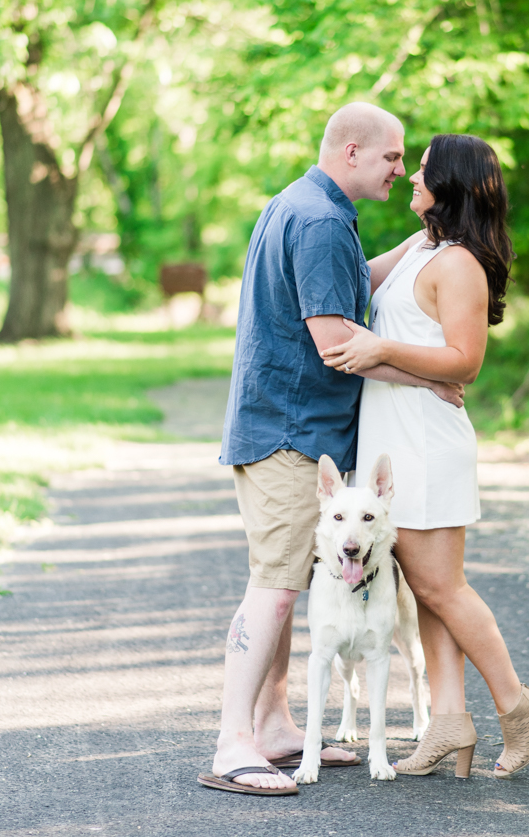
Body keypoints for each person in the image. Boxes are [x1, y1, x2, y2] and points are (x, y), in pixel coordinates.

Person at [198, 103, 465, 796]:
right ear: (352, 151)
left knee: (281, 579)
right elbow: (338, 344)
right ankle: (233, 740)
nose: (402, 169)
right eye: (391, 157)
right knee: (278, 589)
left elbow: (353, 287)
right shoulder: (318, 222)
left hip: (285, 427)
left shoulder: (310, 205)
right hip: (290, 433)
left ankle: (277, 725)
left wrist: (420, 240)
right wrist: (429, 377)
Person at [321, 134, 529, 779]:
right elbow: (358, 277)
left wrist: (379, 351)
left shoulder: (459, 265)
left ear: (449, 183)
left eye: (422, 168)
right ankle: (448, 720)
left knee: (439, 585)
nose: (410, 174)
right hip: (392, 434)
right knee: (424, 588)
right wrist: (308, 232)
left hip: (426, 436)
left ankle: (514, 703)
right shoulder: (424, 245)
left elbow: (465, 360)